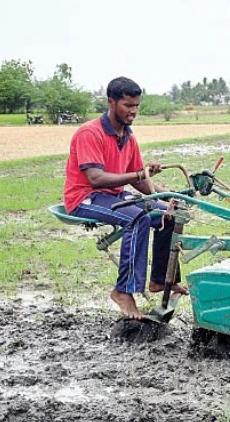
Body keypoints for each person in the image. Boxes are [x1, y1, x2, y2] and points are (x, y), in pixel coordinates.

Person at [63, 76, 187, 320]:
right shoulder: (90, 133)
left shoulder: (128, 137)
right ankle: (123, 291)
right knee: (137, 218)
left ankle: (160, 280)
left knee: (169, 214)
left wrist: (166, 196)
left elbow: (138, 180)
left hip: (114, 196)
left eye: (136, 106)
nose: (133, 111)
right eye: (128, 106)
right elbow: (95, 179)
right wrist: (141, 173)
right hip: (85, 197)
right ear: (111, 102)